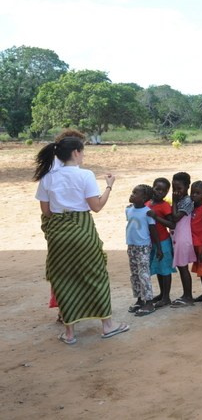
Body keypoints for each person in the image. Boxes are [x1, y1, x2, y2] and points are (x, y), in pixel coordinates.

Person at [34, 133, 129, 344]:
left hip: (58, 235)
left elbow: (46, 211)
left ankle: (69, 333)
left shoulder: (47, 177)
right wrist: (109, 185)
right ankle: (107, 326)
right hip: (83, 232)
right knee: (96, 276)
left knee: (63, 279)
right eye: (82, 151)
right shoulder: (85, 175)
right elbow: (96, 207)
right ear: (76, 152)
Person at [125, 184, 158, 317]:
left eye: (135, 193)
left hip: (143, 247)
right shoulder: (128, 210)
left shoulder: (147, 212)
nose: (132, 194)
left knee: (143, 274)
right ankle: (139, 299)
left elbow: (153, 230)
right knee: (134, 274)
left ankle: (149, 302)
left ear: (144, 197)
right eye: (132, 192)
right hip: (131, 246)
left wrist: (158, 248)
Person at [147, 177, 175, 308]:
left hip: (163, 241)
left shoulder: (165, 206)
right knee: (158, 268)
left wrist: (156, 217)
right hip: (151, 241)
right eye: (157, 189)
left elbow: (172, 224)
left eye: (163, 191)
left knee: (165, 269)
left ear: (167, 192)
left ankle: (166, 297)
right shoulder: (148, 202)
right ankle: (162, 293)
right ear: (152, 187)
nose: (159, 192)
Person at [170, 172, 196, 307]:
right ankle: (186, 295)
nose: (176, 192)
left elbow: (175, 218)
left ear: (187, 187)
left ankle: (188, 296)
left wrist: (173, 201)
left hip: (182, 238)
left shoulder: (187, 201)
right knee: (181, 268)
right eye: (174, 189)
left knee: (183, 268)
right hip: (178, 237)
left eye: (179, 189)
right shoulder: (180, 200)